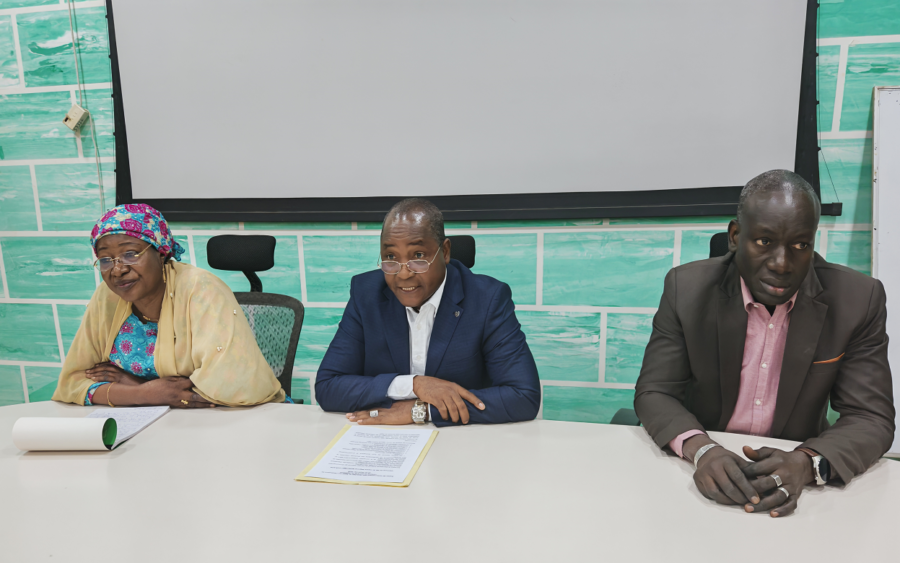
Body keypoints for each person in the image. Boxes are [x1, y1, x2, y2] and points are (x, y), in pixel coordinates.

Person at [634, 170, 895, 517]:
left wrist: (807, 463)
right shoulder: (686, 289)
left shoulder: (858, 300)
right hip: (699, 469)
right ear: (735, 236)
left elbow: (870, 417)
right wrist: (701, 449)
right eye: (764, 241)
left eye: (800, 245)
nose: (782, 264)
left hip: (798, 477)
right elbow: (655, 391)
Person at [315, 198, 541, 426]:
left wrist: (422, 410)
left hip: (462, 439)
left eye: (418, 256)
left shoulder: (487, 299)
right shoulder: (366, 294)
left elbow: (523, 396)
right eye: (391, 258)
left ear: (445, 252)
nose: (403, 274)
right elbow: (328, 386)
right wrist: (414, 385)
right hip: (385, 437)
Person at [52, 204, 286, 407]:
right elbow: (73, 384)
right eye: (105, 259)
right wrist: (143, 394)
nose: (117, 270)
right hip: (152, 422)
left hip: (240, 419)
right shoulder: (107, 296)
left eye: (131, 254)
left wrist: (134, 386)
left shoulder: (201, 290)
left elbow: (229, 389)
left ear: (161, 252)